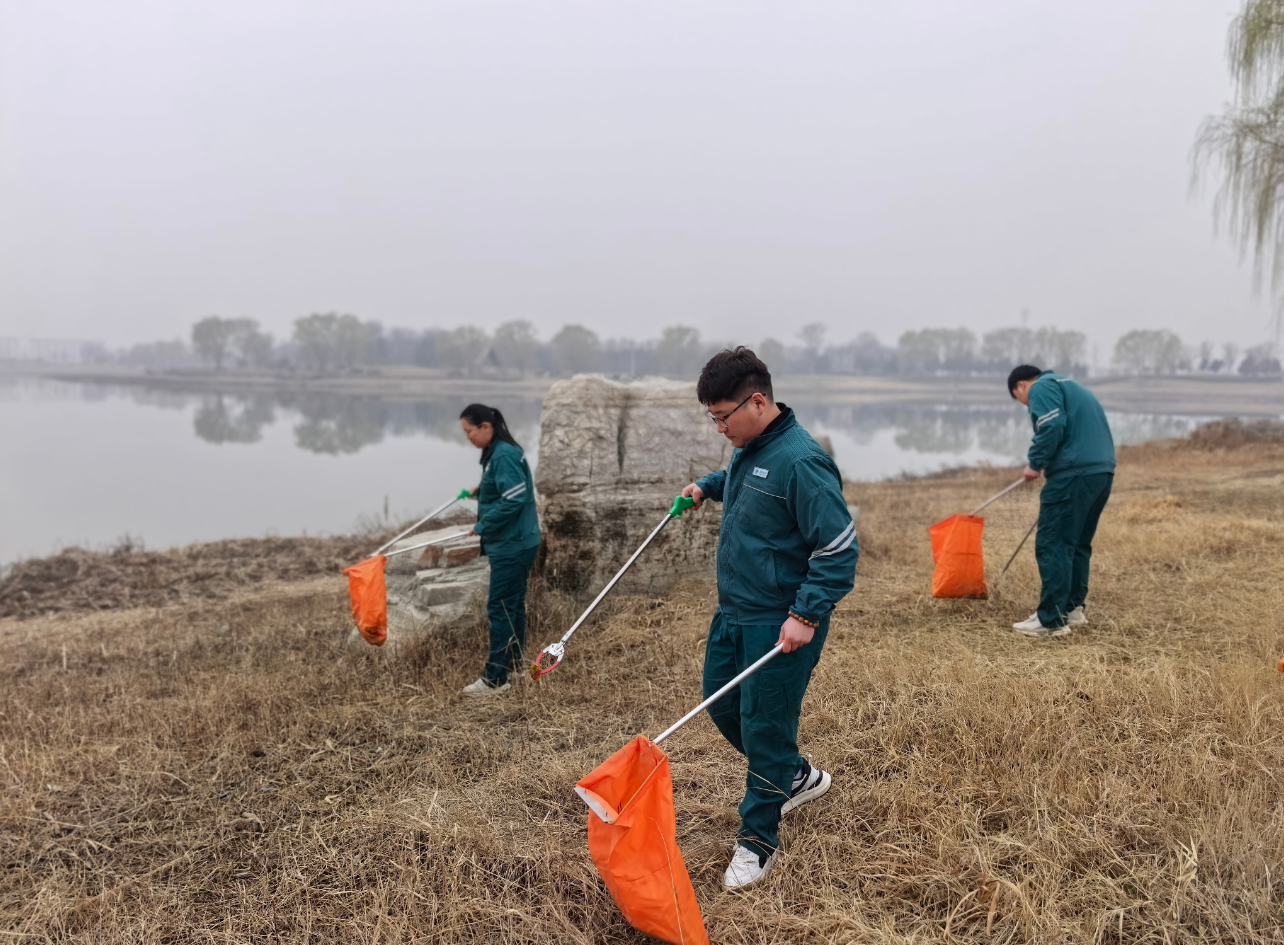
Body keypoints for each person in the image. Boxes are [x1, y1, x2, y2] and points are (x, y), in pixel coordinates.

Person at [679, 347, 857, 889]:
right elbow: (744, 478)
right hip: (734, 610)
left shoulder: (802, 462)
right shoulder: (750, 446)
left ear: (758, 402)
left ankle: (757, 841)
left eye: (723, 417)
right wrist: (708, 486)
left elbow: (839, 548)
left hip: (779, 621)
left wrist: (806, 613)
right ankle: (793, 774)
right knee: (721, 702)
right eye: (712, 418)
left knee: (764, 724)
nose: (719, 428)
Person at [1007, 364, 1115, 637]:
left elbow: (1051, 424)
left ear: (1021, 385)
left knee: (1053, 543)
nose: (1027, 405)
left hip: (1073, 475)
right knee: (1076, 543)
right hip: (1100, 474)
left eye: (1021, 401)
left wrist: (1035, 463)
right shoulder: (1073, 387)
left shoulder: (1041, 387)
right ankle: (1071, 609)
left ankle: (1050, 621)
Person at [458, 403, 541, 695]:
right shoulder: (499, 452)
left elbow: (514, 499)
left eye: (469, 431)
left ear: (485, 427)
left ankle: (495, 679)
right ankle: (514, 665)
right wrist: (480, 491)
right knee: (512, 605)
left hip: (512, 544)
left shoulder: (503, 454)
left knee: (500, 607)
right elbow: (506, 488)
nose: (467, 437)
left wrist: (483, 525)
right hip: (518, 540)